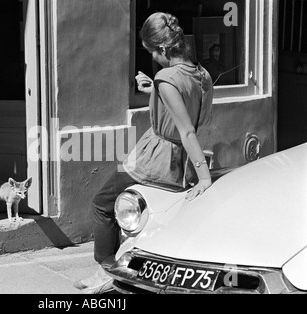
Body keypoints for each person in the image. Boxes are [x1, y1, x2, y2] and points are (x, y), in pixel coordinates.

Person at [74, 12, 214, 294]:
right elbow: (193, 118)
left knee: (102, 204)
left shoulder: (166, 77)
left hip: (157, 159)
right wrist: (155, 90)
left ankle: (105, 270)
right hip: (182, 161)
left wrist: (205, 179)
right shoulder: (202, 74)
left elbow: (185, 130)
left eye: (152, 52)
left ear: (162, 49)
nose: (153, 58)